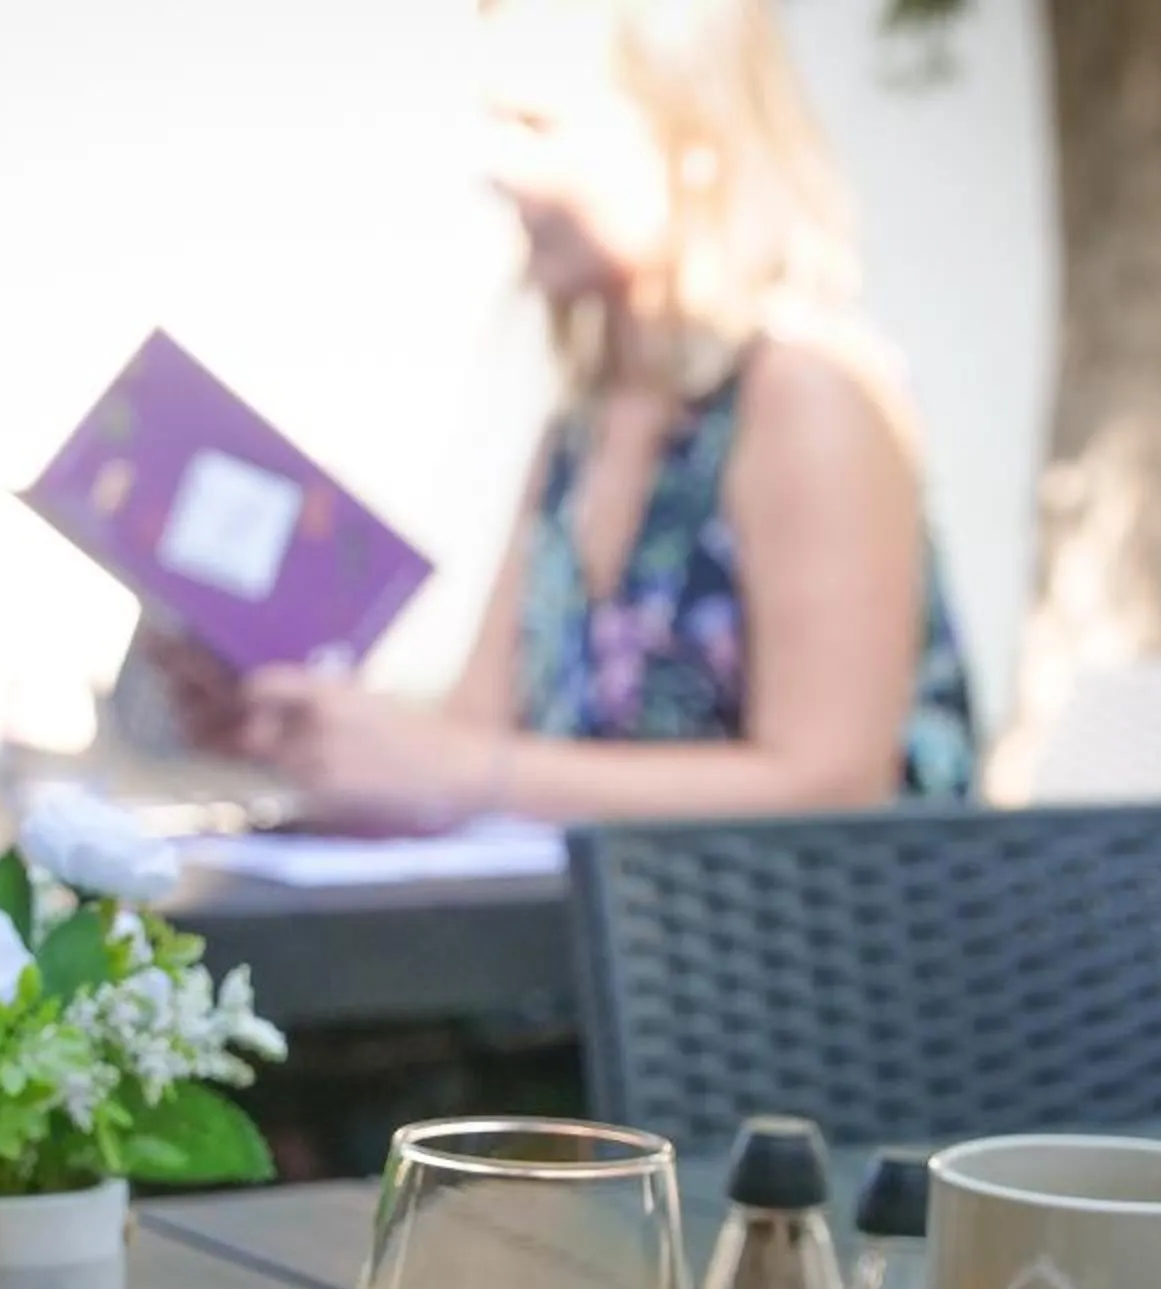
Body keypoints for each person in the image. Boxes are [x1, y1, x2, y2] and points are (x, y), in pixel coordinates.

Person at [158, 0, 977, 829]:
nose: (499, 168)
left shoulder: (809, 391)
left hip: (824, 951)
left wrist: (459, 772)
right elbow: (477, 735)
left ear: (694, 141)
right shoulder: (583, 428)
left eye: (538, 125)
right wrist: (300, 732)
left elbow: (833, 784)